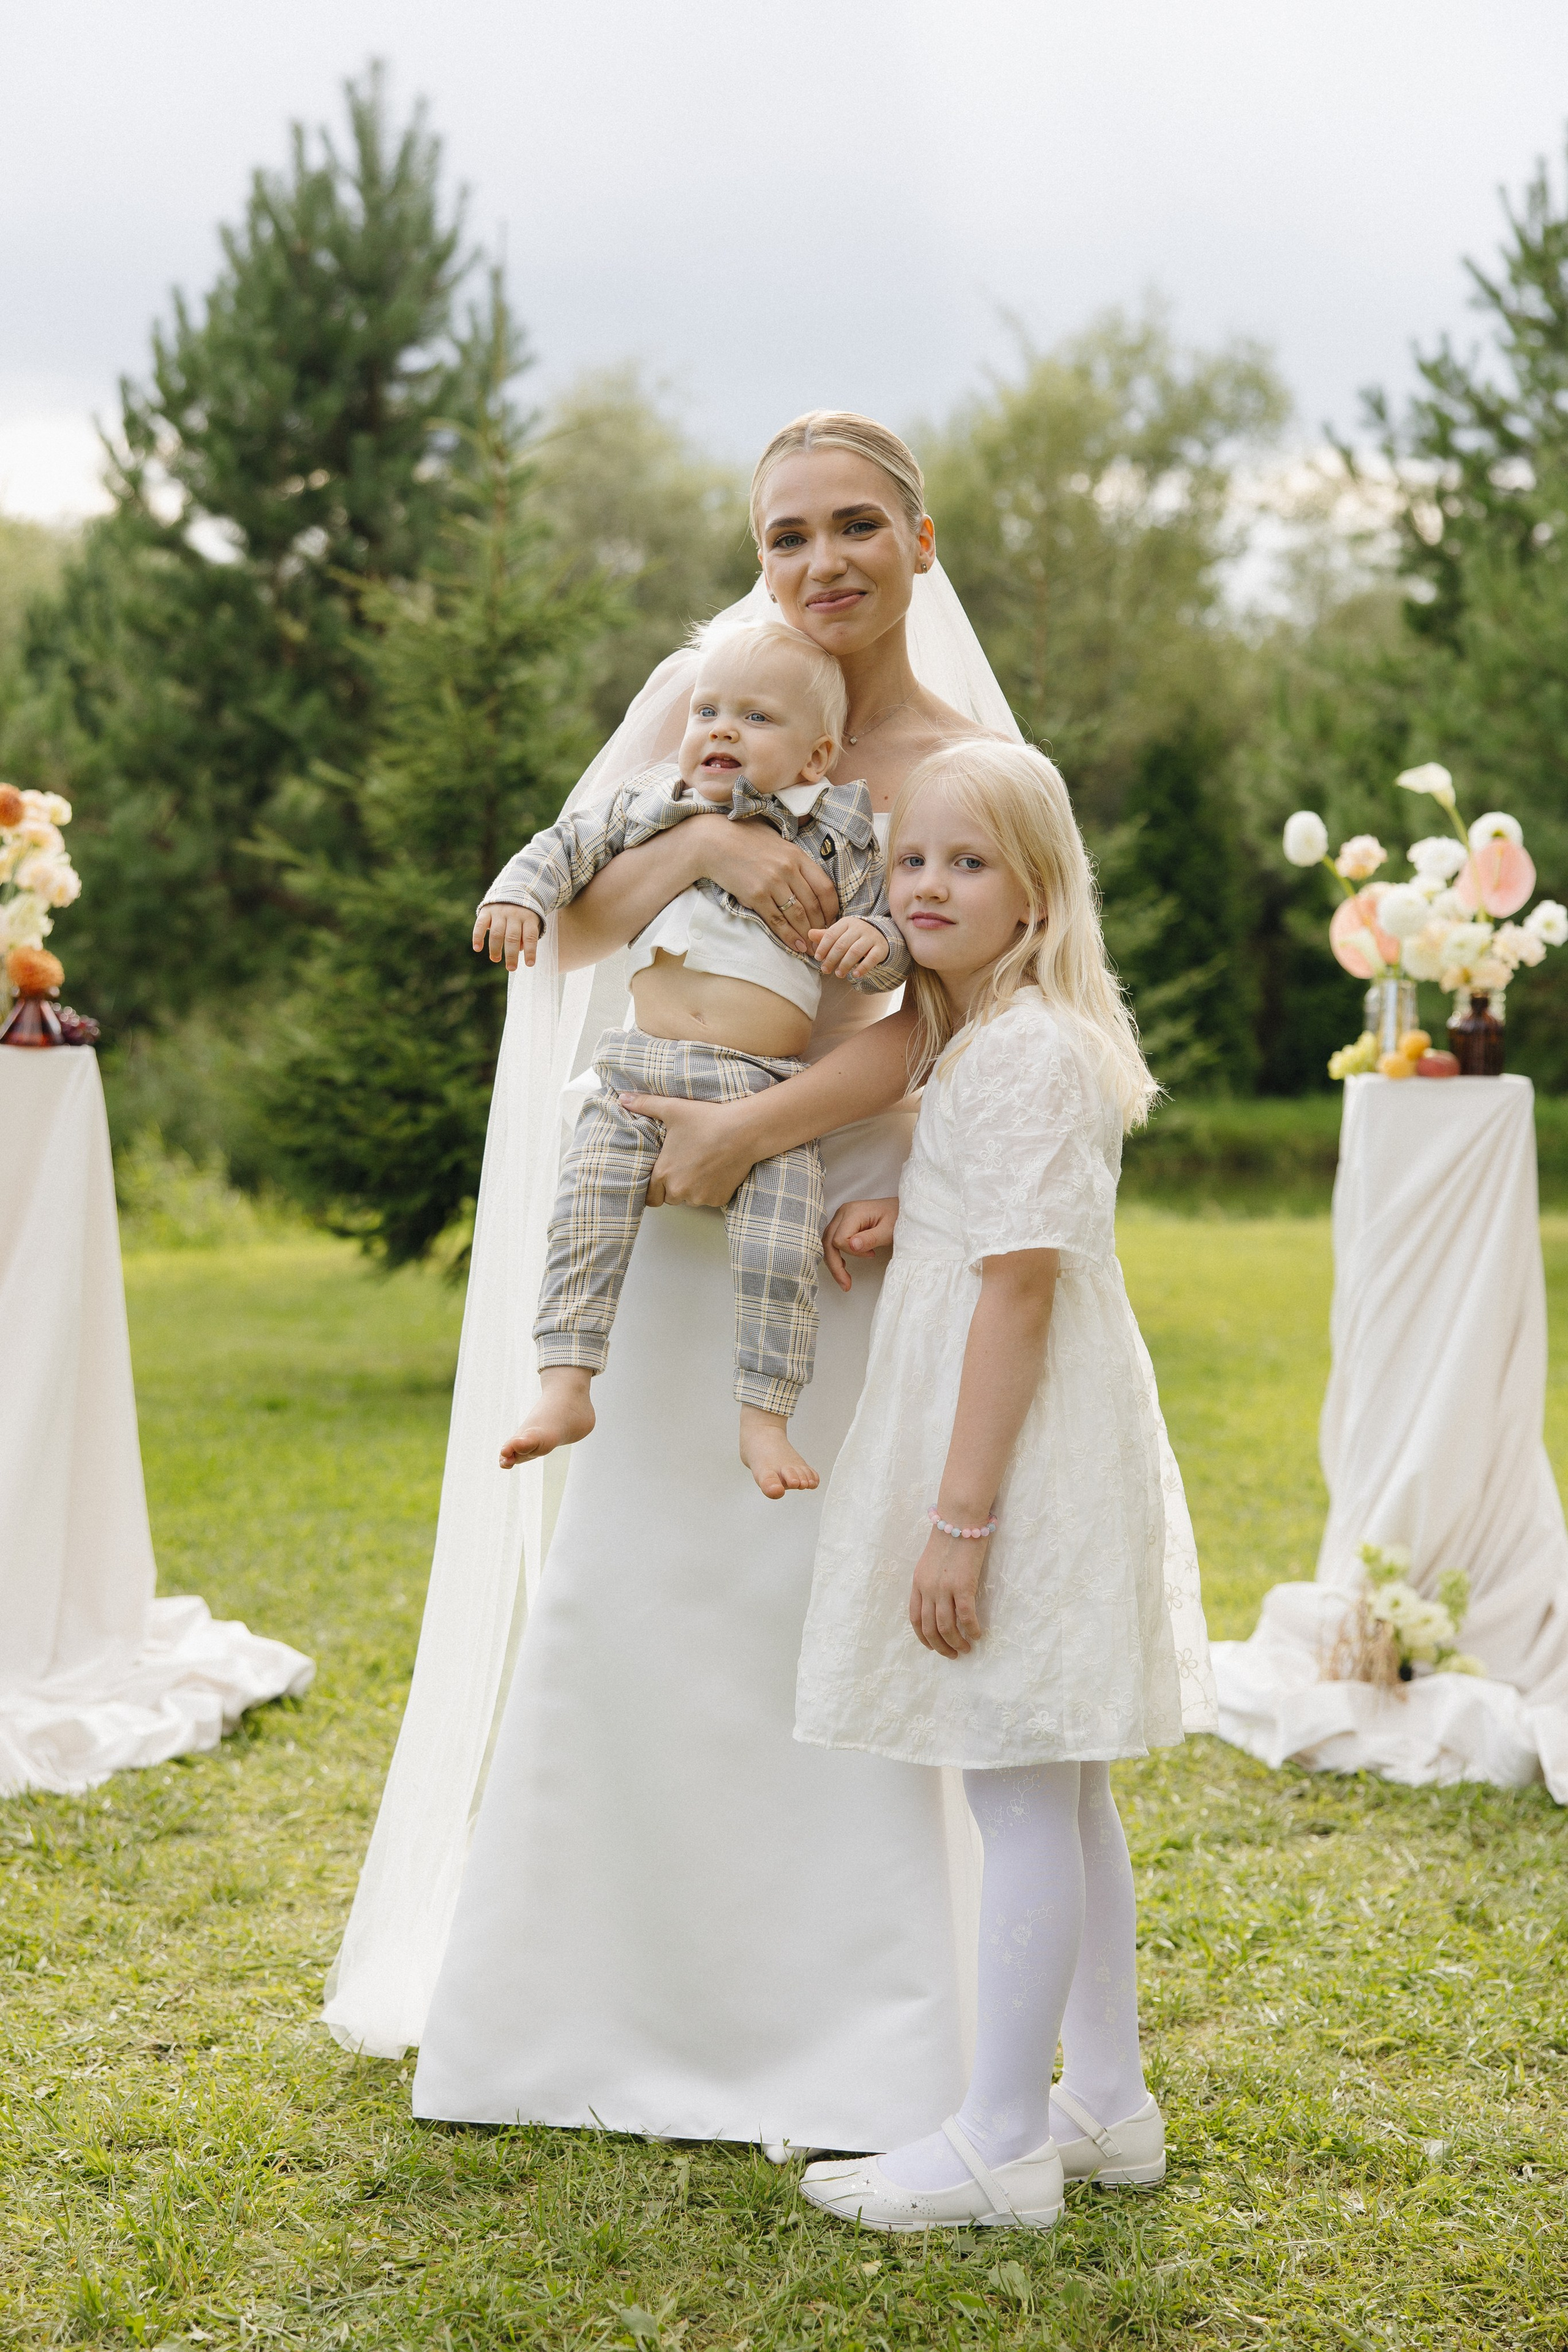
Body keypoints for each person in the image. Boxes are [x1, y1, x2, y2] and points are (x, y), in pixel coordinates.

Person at [321, 412, 1215, 2157]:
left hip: (840, 1203)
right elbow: (577, 921)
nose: (824, 561)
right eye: (790, 531)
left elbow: (948, 1006)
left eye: (858, 525)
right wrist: (723, 855)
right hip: (666, 1203)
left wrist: (763, 1141)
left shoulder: (967, 755)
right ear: (761, 552)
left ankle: (859, 2042)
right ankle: (584, 2008)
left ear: (922, 543)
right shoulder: (708, 701)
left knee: (825, 1592)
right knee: (654, 1573)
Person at [793, 738, 1177, 2231]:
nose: (931, 886)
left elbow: (1019, 1293)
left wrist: (960, 1523)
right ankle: (1109, 2103)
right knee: (1060, 1786)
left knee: (1012, 1782)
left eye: (969, 862)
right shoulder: (1011, 1037)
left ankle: (1002, 2138)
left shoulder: (1015, 1049)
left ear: (1035, 891)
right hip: (1045, 1428)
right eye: (912, 860)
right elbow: (1003, 1228)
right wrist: (922, 1208)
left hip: (1012, 1458)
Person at [484, 620, 907, 1499]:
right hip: (636, 1071)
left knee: (779, 1254)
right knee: (584, 1214)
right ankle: (565, 1383)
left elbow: (893, 933)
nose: (720, 729)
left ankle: (765, 1415)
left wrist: (873, 936)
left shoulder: (839, 832)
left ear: (815, 755)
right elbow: (560, 849)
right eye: (708, 710)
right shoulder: (652, 804)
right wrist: (517, 896)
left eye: (755, 717)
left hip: (767, 1086)